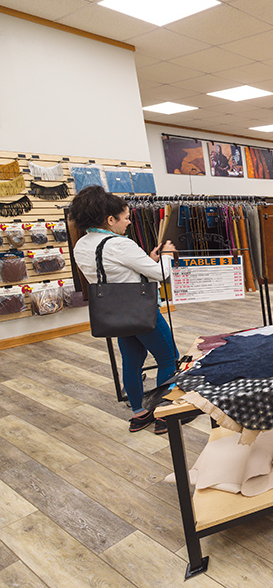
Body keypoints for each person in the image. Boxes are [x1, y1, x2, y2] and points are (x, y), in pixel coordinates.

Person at [70, 186, 179, 435]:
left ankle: (139, 414)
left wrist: (147, 260)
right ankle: (165, 413)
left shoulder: (81, 245)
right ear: (110, 220)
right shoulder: (119, 244)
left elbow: (115, 273)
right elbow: (162, 274)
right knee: (168, 358)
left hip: (114, 312)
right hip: (141, 310)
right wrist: (166, 256)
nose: (129, 222)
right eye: (126, 217)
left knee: (131, 362)